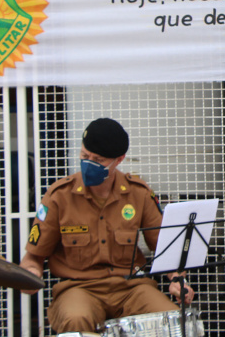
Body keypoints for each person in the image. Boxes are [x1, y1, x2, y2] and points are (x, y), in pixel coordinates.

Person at [19, 117, 194, 334]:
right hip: (79, 287)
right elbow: (33, 257)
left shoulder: (137, 193)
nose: (88, 163)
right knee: (76, 320)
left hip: (132, 287)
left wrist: (177, 279)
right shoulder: (59, 196)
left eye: (98, 160)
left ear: (119, 159)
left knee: (172, 322)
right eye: (84, 156)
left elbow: (165, 249)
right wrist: (30, 273)